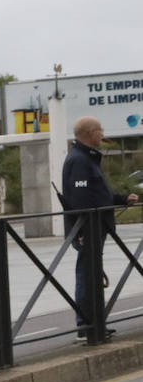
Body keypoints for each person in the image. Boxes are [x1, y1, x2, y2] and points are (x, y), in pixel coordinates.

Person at [61, 116, 137, 337]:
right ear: (90, 133)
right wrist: (83, 230)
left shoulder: (87, 159)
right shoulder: (79, 161)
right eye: (100, 130)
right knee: (87, 274)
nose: (103, 134)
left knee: (92, 274)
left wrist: (122, 199)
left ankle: (94, 324)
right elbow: (81, 199)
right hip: (89, 227)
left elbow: (98, 194)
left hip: (96, 225)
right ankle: (87, 326)